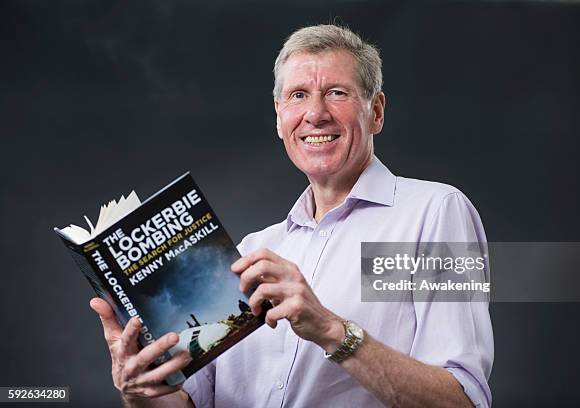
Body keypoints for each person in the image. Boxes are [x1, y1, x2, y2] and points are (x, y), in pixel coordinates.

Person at [90, 24, 493, 408]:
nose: (315, 114)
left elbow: (461, 401)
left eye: (337, 92)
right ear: (280, 116)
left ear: (376, 112)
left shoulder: (432, 214)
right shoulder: (250, 253)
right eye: (298, 95)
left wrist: (332, 331)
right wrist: (139, 390)